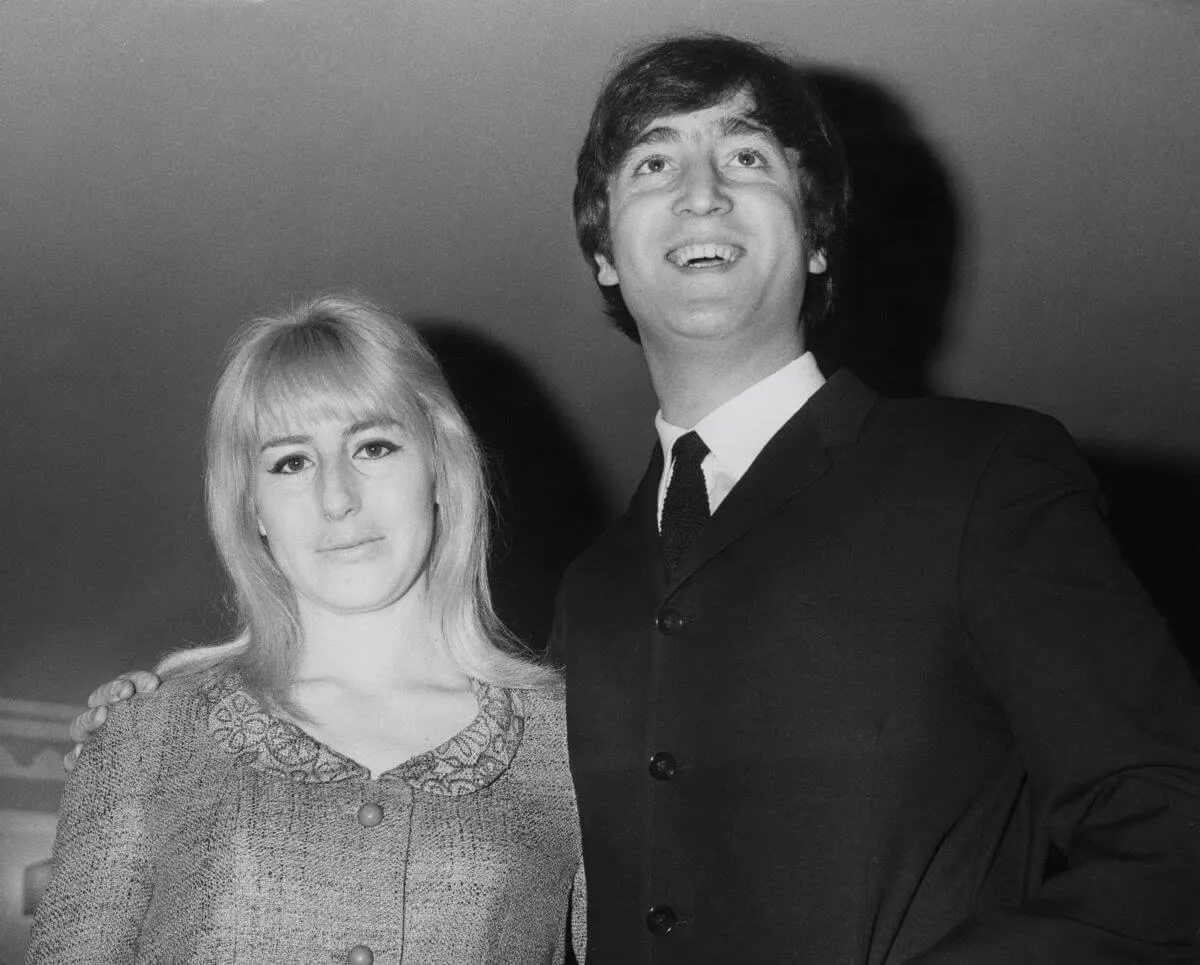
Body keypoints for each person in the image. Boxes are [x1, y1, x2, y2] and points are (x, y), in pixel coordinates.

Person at [72, 33, 1200, 965]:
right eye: (652, 164)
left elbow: (1171, 823)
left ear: (815, 235)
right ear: (605, 251)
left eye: (747, 156)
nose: (700, 188)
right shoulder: (591, 597)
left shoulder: (982, 474)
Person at [33, 295, 584, 964]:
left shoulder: (574, 748)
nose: (336, 497)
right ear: (251, 506)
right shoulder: (146, 737)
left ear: (440, 467)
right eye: (291, 461)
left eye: (373, 446)